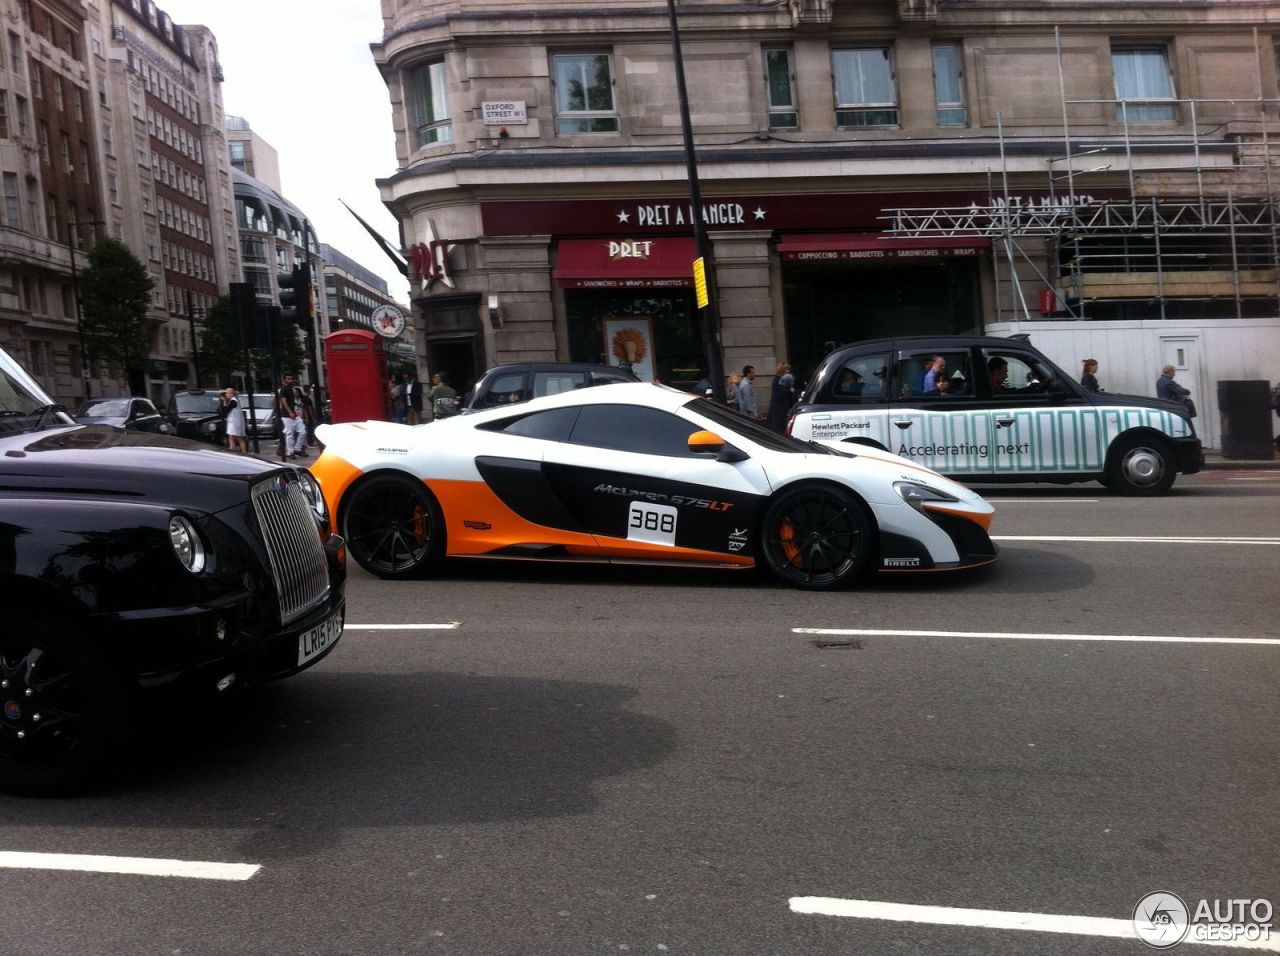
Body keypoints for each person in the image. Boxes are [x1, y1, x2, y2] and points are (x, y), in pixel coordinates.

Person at [277, 373, 307, 459]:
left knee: (303, 431)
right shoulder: (283, 390)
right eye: (288, 379)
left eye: (291, 379)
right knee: (289, 434)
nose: (291, 380)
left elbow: (292, 402)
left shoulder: (291, 389)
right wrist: (290, 412)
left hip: (294, 414)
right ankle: (290, 452)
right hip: (287, 415)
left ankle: (297, 449)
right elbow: (284, 402)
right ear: (284, 380)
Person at [766, 362, 796, 431]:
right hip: (780, 412)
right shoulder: (781, 381)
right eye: (787, 370)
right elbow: (783, 396)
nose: (788, 372)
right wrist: (791, 390)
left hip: (777, 411)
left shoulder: (776, 379)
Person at [221, 387, 246, 453]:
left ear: (232, 394)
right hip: (234, 422)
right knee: (231, 437)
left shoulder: (233, 401)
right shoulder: (233, 400)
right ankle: (232, 450)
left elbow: (226, 409)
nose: (226, 394)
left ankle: (242, 451)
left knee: (238, 438)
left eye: (227, 393)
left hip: (235, 422)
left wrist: (224, 401)